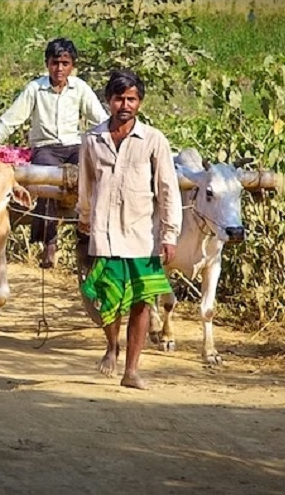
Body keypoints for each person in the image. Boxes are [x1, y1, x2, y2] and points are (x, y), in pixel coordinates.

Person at [76, 68, 182, 390]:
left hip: (141, 236)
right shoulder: (93, 140)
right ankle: (112, 346)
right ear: (108, 101)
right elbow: (86, 184)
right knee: (107, 301)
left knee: (141, 303)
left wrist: (169, 234)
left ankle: (131, 371)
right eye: (119, 98)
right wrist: (83, 219)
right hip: (105, 234)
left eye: (132, 99)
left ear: (140, 102)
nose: (125, 104)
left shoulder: (154, 140)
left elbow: (167, 189)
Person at [0, 37, 108, 268]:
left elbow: (100, 120)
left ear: (73, 65)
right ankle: (49, 241)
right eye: (55, 63)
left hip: (74, 146)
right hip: (45, 148)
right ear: (47, 64)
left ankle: (89, 229)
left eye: (65, 63)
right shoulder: (35, 89)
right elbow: (12, 119)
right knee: (46, 177)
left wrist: (116, 140)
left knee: (93, 171)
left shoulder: (79, 88)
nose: (59, 69)